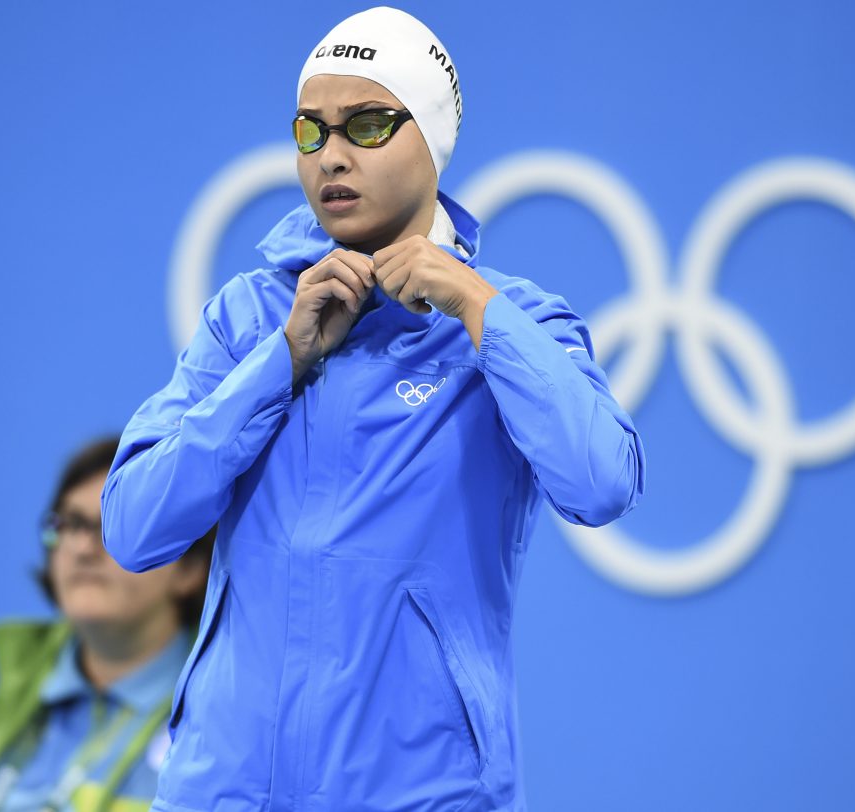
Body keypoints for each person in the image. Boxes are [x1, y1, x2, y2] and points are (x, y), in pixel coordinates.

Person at [102, 7, 645, 811]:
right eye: (312, 131)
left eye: (367, 123)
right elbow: (134, 528)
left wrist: (472, 301)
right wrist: (279, 364)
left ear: (431, 139)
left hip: (422, 794)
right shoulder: (248, 318)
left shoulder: (511, 322)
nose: (334, 155)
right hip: (223, 792)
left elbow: (601, 481)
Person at [0, 438, 213, 812]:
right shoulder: (7, 678)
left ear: (191, 567)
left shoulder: (217, 703)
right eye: (69, 524)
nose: (83, 548)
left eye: (114, 526)